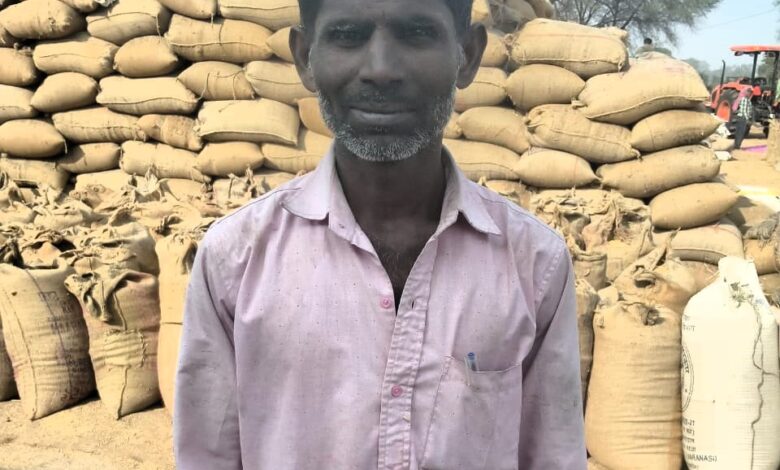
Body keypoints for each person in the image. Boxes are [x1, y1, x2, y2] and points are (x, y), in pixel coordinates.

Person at [173, 0, 586, 468]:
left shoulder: (534, 263)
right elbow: (206, 456)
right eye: (348, 35)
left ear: (468, 55)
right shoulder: (234, 259)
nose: (381, 69)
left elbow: (553, 455)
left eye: (417, 33)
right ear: (305, 57)